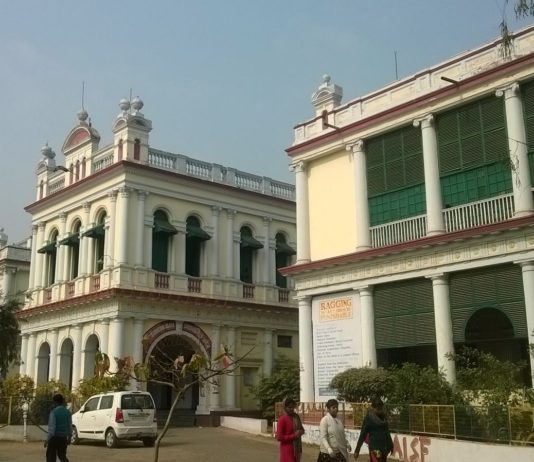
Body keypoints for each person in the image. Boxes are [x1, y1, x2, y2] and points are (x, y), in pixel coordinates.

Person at [354, 398, 393, 462]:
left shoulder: (384, 418)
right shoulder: (368, 419)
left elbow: (387, 432)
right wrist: (357, 450)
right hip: (374, 449)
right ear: (373, 408)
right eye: (378, 409)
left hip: (384, 449)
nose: (380, 411)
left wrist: (391, 445)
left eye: (381, 408)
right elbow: (362, 435)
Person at [276, 397, 305, 462]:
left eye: (293, 407)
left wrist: (301, 432)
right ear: (285, 407)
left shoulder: (296, 417)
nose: (292, 409)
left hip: (297, 449)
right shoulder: (282, 419)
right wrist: (294, 436)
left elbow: (301, 429)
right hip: (287, 450)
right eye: (289, 407)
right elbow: (279, 437)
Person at [45, 393, 72, 462]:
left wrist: (47, 440)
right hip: (63, 438)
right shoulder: (68, 412)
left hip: (55, 438)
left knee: (50, 457)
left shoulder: (53, 412)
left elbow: (52, 429)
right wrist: (69, 437)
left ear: (55, 402)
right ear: (62, 401)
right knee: (62, 456)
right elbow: (70, 426)